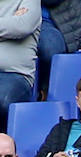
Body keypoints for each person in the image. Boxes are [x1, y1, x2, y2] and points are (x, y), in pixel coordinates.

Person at [0, 0, 38, 132]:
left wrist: (15, 25)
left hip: (16, 74)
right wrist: (9, 24)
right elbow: (14, 27)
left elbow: (23, 26)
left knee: (3, 99)